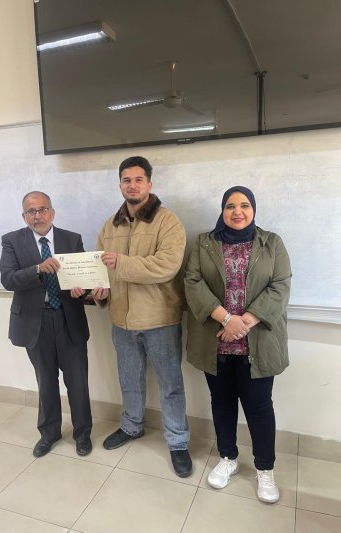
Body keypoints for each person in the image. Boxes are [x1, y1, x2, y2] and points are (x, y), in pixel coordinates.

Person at [184, 186, 291, 503]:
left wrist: (244, 322)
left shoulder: (272, 243)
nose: (237, 211)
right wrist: (226, 319)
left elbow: (280, 285)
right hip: (215, 342)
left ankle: (265, 469)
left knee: (259, 407)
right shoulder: (204, 242)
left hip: (257, 342)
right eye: (230, 206)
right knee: (222, 402)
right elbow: (192, 282)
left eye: (244, 205)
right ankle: (228, 458)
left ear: (253, 209)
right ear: (222, 211)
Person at [93, 156, 192, 477]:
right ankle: (131, 425)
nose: (132, 185)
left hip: (160, 320)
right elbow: (102, 270)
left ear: (150, 183)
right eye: (126, 180)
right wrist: (100, 290)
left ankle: (178, 441)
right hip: (121, 321)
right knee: (129, 380)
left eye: (138, 179)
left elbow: (167, 266)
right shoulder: (110, 225)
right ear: (120, 184)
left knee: (170, 385)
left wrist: (121, 264)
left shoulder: (168, 221)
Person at [0, 191, 92, 458]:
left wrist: (83, 290)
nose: (37, 216)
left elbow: (84, 277)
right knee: (46, 381)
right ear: (24, 216)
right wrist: (38, 269)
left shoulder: (72, 239)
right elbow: (8, 279)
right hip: (34, 322)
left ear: (52, 213)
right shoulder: (12, 241)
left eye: (42, 210)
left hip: (68, 319)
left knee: (78, 382)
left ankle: (82, 434)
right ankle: (49, 434)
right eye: (32, 211)